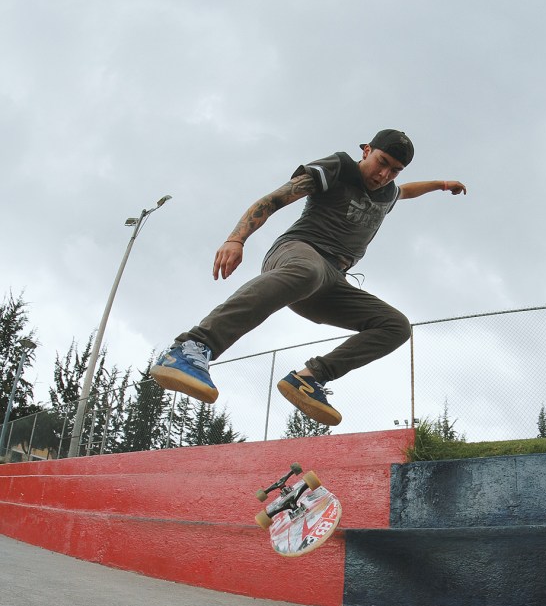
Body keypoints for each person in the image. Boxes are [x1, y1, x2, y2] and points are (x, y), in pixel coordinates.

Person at [151, 129, 466, 426]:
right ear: (366, 151)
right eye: (381, 162)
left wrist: (441, 184)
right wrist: (236, 239)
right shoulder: (338, 168)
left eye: (394, 170)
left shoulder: (388, 192)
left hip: (331, 282)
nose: (383, 175)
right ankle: (192, 347)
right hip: (296, 253)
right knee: (309, 271)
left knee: (396, 326)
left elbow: (406, 191)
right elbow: (275, 198)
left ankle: (309, 379)